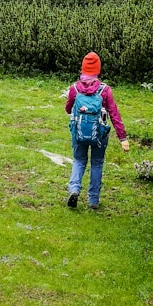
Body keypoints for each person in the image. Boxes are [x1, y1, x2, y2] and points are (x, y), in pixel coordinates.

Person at [65, 51, 129, 210]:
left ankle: (74, 189)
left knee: (79, 160)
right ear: (98, 70)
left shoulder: (74, 88)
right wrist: (123, 138)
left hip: (78, 132)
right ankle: (93, 200)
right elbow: (114, 113)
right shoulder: (105, 90)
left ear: (83, 69)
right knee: (97, 163)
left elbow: (67, 109)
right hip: (99, 133)